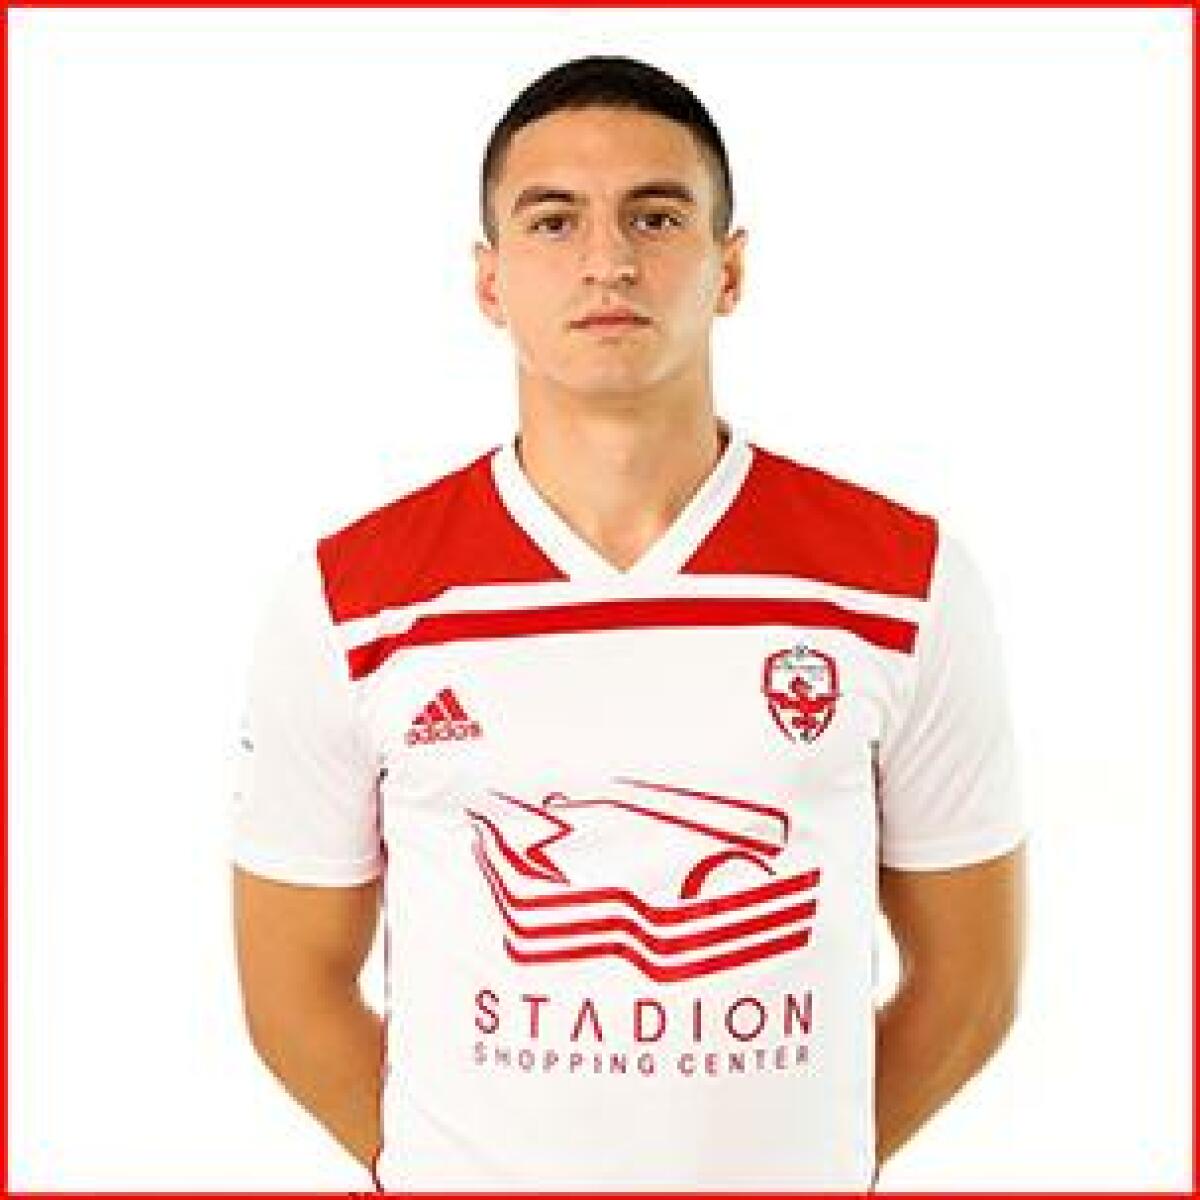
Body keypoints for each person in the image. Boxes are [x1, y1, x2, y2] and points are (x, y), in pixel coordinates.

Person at [229, 54, 1028, 1192]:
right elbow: (291, 989)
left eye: (655, 216)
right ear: (490, 280)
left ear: (729, 267)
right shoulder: (352, 598)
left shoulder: (903, 581)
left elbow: (970, 987)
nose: (607, 259)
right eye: (552, 221)